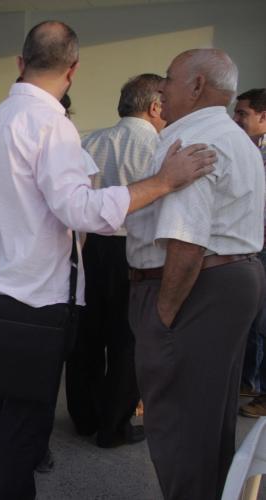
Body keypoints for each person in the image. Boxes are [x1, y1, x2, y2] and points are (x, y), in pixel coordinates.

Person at [0, 21, 215, 499]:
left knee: (1, 401)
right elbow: (80, 210)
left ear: (21, 62)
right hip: (39, 292)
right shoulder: (51, 125)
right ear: (73, 69)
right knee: (27, 419)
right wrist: (163, 182)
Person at [127, 49, 265, 500]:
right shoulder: (234, 136)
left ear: (198, 85)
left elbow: (185, 242)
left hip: (196, 285)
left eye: (168, 78)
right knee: (208, 416)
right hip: (231, 279)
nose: (161, 88)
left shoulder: (192, 139)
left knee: (179, 420)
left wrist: (163, 316)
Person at [65, 73, 166, 448]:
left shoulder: (90, 140)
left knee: (87, 337)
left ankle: (84, 416)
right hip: (136, 251)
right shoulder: (160, 148)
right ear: (154, 106)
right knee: (128, 340)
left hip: (90, 247)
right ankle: (113, 426)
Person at [233, 88, 266, 410]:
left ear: (263, 116)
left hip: (260, 245)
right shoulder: (247, 149)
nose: (236, 119)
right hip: (252, 247)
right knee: (253, 320)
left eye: (243, 113)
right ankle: (248, 381)